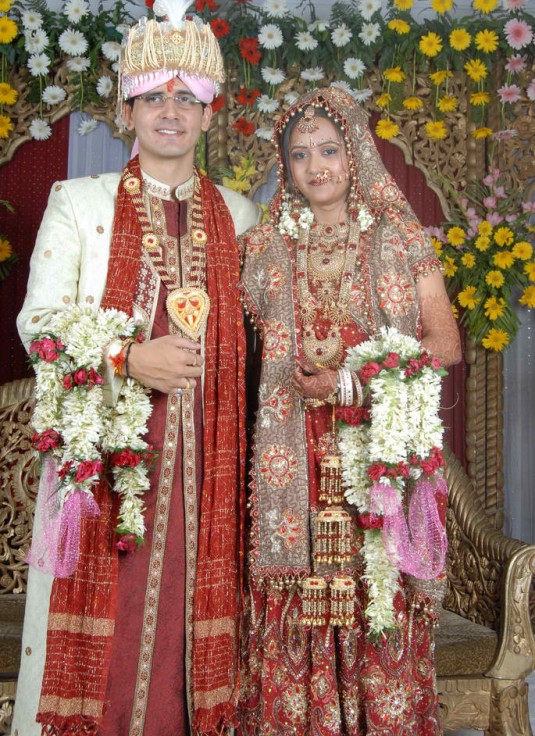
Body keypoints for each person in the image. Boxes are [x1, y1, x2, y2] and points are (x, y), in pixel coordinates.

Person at [13, 0, 260, 736]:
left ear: (208, 114)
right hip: (108, 448)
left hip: (208, 462)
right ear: (126, 110)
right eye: (154, 97)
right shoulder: (78, 200)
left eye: (187, 99)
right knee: (107, 621)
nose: (170, 112)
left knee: (192, 620)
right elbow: (40, 324)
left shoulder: (242, 215)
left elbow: (262, 338)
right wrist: (128, 357)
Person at [239, 85, 461, 735]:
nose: (316, 167)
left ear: (355, 152)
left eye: (329, 150)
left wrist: (348, 385)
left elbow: (443, 342)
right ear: (286, 165)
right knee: (298, 604)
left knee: (377, 599)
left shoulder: (398, 235)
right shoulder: (267, 248)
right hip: (293, 460)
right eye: (300, 153)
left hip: (377, 452)